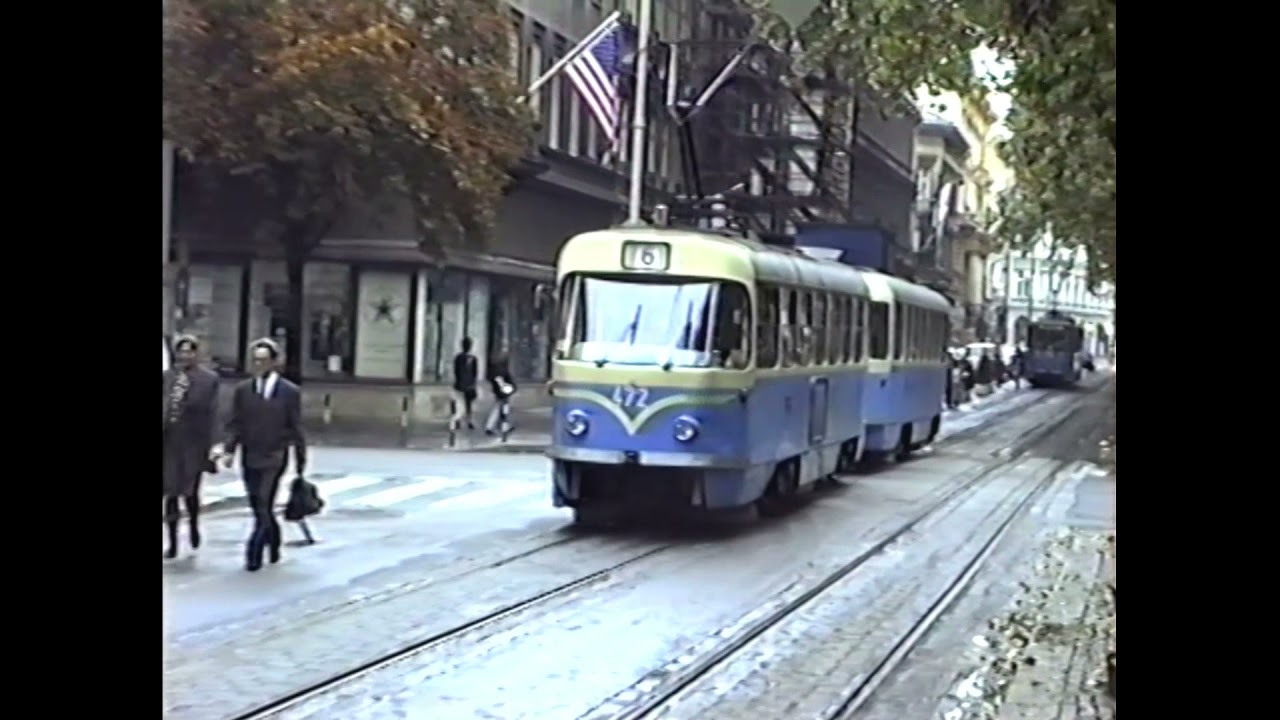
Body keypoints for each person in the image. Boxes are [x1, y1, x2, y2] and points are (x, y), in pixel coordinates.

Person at [219, 339, 308, 572]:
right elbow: (235, 423)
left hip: (275, 455)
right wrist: (229, 449)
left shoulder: (289, 392)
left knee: (264, 499)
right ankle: (274, 538)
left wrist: (300, 460)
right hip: (250, 454)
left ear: (274, 362)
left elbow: (296, 426)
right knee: (258, 504)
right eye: (255, 360)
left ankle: (254, 550)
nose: (259, 365)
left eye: (264, 360)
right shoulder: (244, 390)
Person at [162, 335, 220, 559]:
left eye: (190, 352)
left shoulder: (208, 379)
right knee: (171, 492)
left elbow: (212, 413)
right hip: (170, 442)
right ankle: (173, 542)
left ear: (196, 354)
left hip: (194, 442)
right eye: (182, 352)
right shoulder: (167, 378)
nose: (185, 356)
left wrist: (214, 444)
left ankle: (194, 523)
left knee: (190, 492)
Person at [484, 351, 518, 437]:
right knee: (501, 408)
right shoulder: (503, 370)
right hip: (504, 391)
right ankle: (492, 427)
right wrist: (513, 388)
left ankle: (501, 426)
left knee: (501, 408)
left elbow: (491, 379)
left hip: (499, 391)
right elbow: (509, 380)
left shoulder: (495, 369)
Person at [452, 337, 479, 431]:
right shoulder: (473, 358)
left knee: (459, 403)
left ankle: (458, 420)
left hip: (459, 384)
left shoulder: (458, 357)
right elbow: (475, 373)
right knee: (468, 404)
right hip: (469, 385)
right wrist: (473, 384)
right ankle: (469, 420)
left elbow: (456, 371)